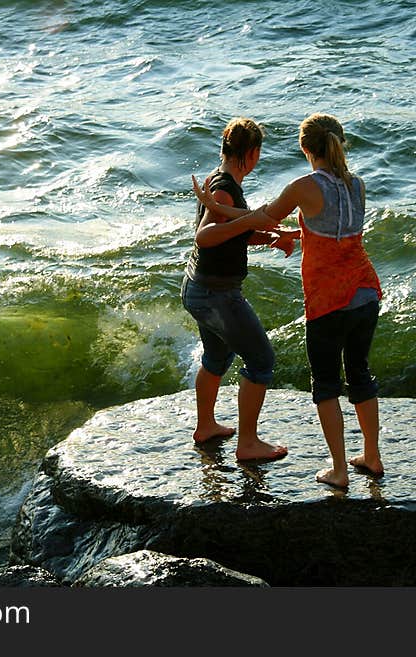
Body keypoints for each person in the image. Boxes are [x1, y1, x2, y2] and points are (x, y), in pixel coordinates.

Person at [192, 112, 383, 489]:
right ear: (338, 143)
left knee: (326, 384)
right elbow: (334, 232)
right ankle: (372, 457)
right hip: (366, 291)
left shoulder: (302, 187)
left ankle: (340, 470)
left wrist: (213, 206)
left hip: (329, 299)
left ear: (305, 149)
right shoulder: (357, 185)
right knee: (360, 374)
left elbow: (260, 218)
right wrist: (296, 232)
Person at [182, 117, 293, 462]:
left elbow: (233, 231)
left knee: (217, 357)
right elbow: (206, 236)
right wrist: (251, 220)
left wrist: (272, 238)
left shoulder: (224, 181)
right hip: (216, 294)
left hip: (199, 287)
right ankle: (248, 444)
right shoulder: (224, 188)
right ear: (252, 153)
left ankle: (206, 427)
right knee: (261, 360)